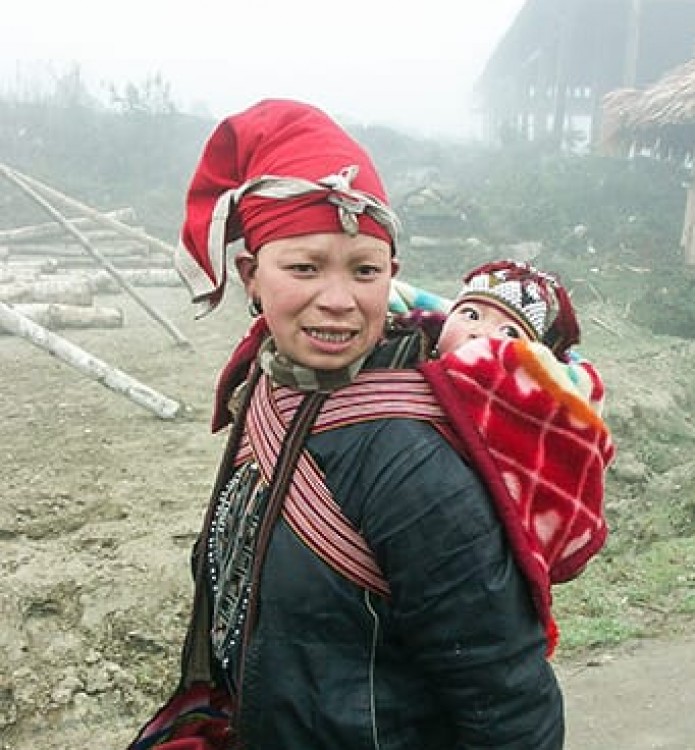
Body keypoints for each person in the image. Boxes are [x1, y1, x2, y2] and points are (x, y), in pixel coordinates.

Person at [129, 98, 564, 750]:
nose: (338, 299)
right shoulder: (269, 385)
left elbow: (508, 702)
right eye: (304, 267)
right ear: (252, 276)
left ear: (391, 275)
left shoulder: (411, 462)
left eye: (364, 270)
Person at [408, 260, 615, 654]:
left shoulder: (529, 412)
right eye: (469, 314)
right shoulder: (400, 365)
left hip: (479, 570)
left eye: (509, 332)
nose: (480, 333)